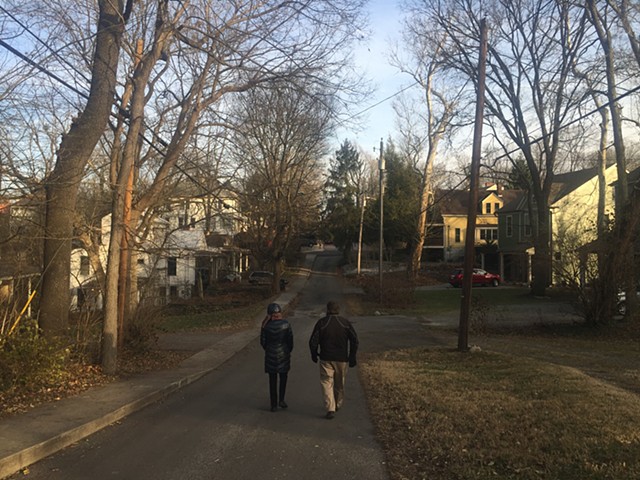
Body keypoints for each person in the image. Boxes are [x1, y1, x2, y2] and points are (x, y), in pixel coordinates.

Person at [308, 301, 358, 420]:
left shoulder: (322, 323)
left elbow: (313, 341)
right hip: (342, 358)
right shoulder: (345, 323)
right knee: (339, 382)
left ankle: (330, 407)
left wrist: (314, 354)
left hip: (326, 357)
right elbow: (355, 340)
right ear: (338, 310)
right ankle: (338, 402)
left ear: (327, 310)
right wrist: (352, 356)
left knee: (326, 382)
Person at [260, 303, 293, 412]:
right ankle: (281, 400)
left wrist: (269, 349)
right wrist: (287, 350)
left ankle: (273, 404)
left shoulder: (265, 326)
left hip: (270, 354)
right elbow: (290, 341)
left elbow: (263, 342)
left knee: (272, 380)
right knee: (283, 378)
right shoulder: (286, 324)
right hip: (283, 353)